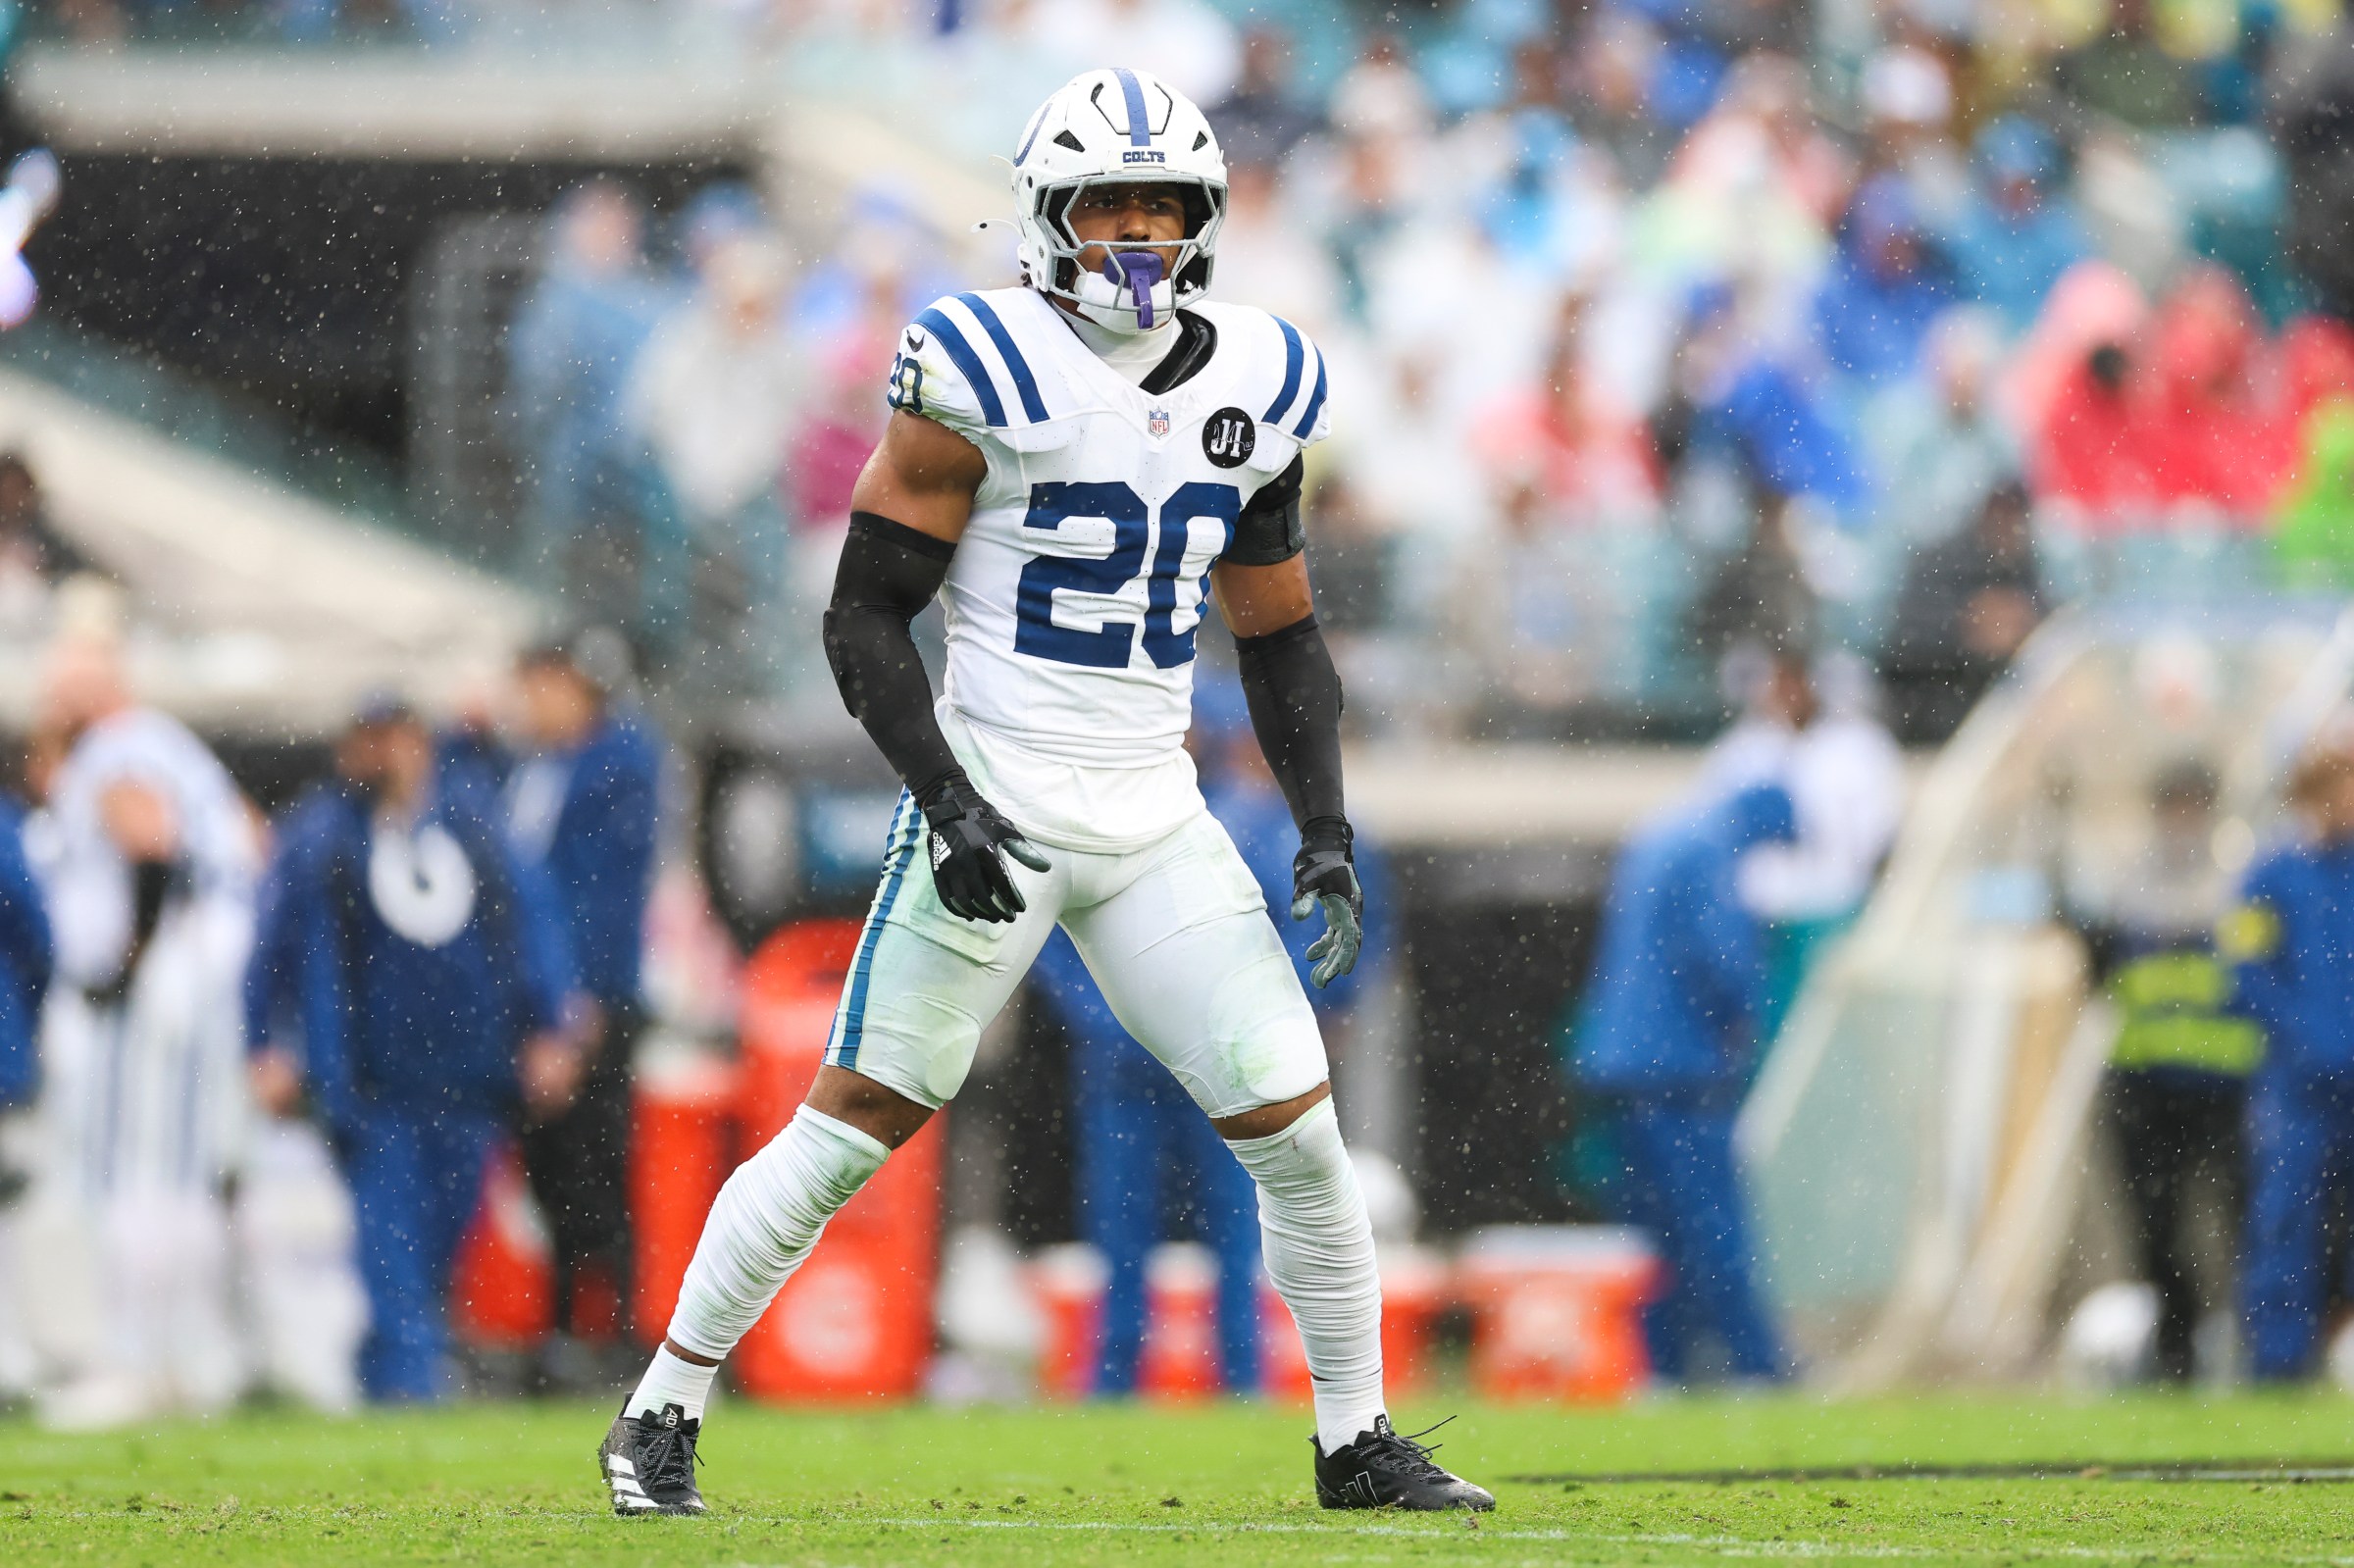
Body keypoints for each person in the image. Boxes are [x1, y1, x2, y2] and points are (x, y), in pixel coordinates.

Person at [603, 69, 1492, 1517]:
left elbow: (1278, 631)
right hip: (1001, 792)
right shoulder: (976, 363)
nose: (1136, 231)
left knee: (1304, 1136)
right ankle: (662, 1406)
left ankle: (1354, 1435)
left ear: (1204, 220)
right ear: (1047, 217)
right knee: (849, 1127)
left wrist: (1325, 829)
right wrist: (949, 804)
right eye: (1108, 203)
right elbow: (863, 618)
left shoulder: (1255, 382)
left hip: (1152, 815)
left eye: (1161, 204)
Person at [249, 696, 576, 1402]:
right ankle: (410, 1388)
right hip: (373, 1085)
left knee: (434, 1250)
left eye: (393, 739)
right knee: (391, 1248)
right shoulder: (323, 837)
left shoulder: (473, 825)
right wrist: (264, 1043)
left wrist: (550, 1022)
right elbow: (273, 947)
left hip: (470, 1077)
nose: (382, 756)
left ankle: (388, 1374)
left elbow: (530, 922)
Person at [28, 617, 259, 1429]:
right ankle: (186, 1360)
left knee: (133, 1174)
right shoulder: (171, 742)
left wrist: (128, 964)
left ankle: (135, 1360)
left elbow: (153, 845)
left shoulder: (120, 746)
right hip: (198, 980)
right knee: (179, 1175)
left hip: (159, 984)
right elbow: (248, 842)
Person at [1573, 783, 1798, 1386]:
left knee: (1654, 1234)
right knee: (1715, 1225)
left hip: (1624, 1068)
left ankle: (1661, 1369)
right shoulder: (1710, 849)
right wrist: (1748, 1017)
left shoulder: (1663, 833)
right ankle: (1760, 1368)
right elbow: (1720, 956)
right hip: (1680, 1074)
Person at [503, 634, 661, 1391]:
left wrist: (580, 1001)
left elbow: (601, 897)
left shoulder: (618, 764)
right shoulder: (531, 767)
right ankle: (564, 1328)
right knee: (549, 1170)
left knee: (599, 1165)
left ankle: (619, 1331)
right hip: (535, 1000)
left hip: (590, 999)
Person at [2080, 760, 2258, 1383]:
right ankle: (2178, 1351)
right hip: (2145, 1083)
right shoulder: (2124, 886)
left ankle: (2254, 1346)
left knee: (2246, 1222)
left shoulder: (2242, 881)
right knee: (2155, 1229)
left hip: (2227, 1082)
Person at [2224, 741, 2354, 1381]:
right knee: (2285, 1216)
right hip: (2298, 1085)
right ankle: (2277, 1359)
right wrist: (2304, 1034)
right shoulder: (2270, 875)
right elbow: (2244, 972)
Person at [1880, 481, 2047, 744]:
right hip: (1935, 715)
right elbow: (1904, 641)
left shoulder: (2028, 570)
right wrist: (1968, 627)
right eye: (2002, 516)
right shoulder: (1940, 562)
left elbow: (2050, 630)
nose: (2009, 529)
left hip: (2001, 716)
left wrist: (2026, 631)